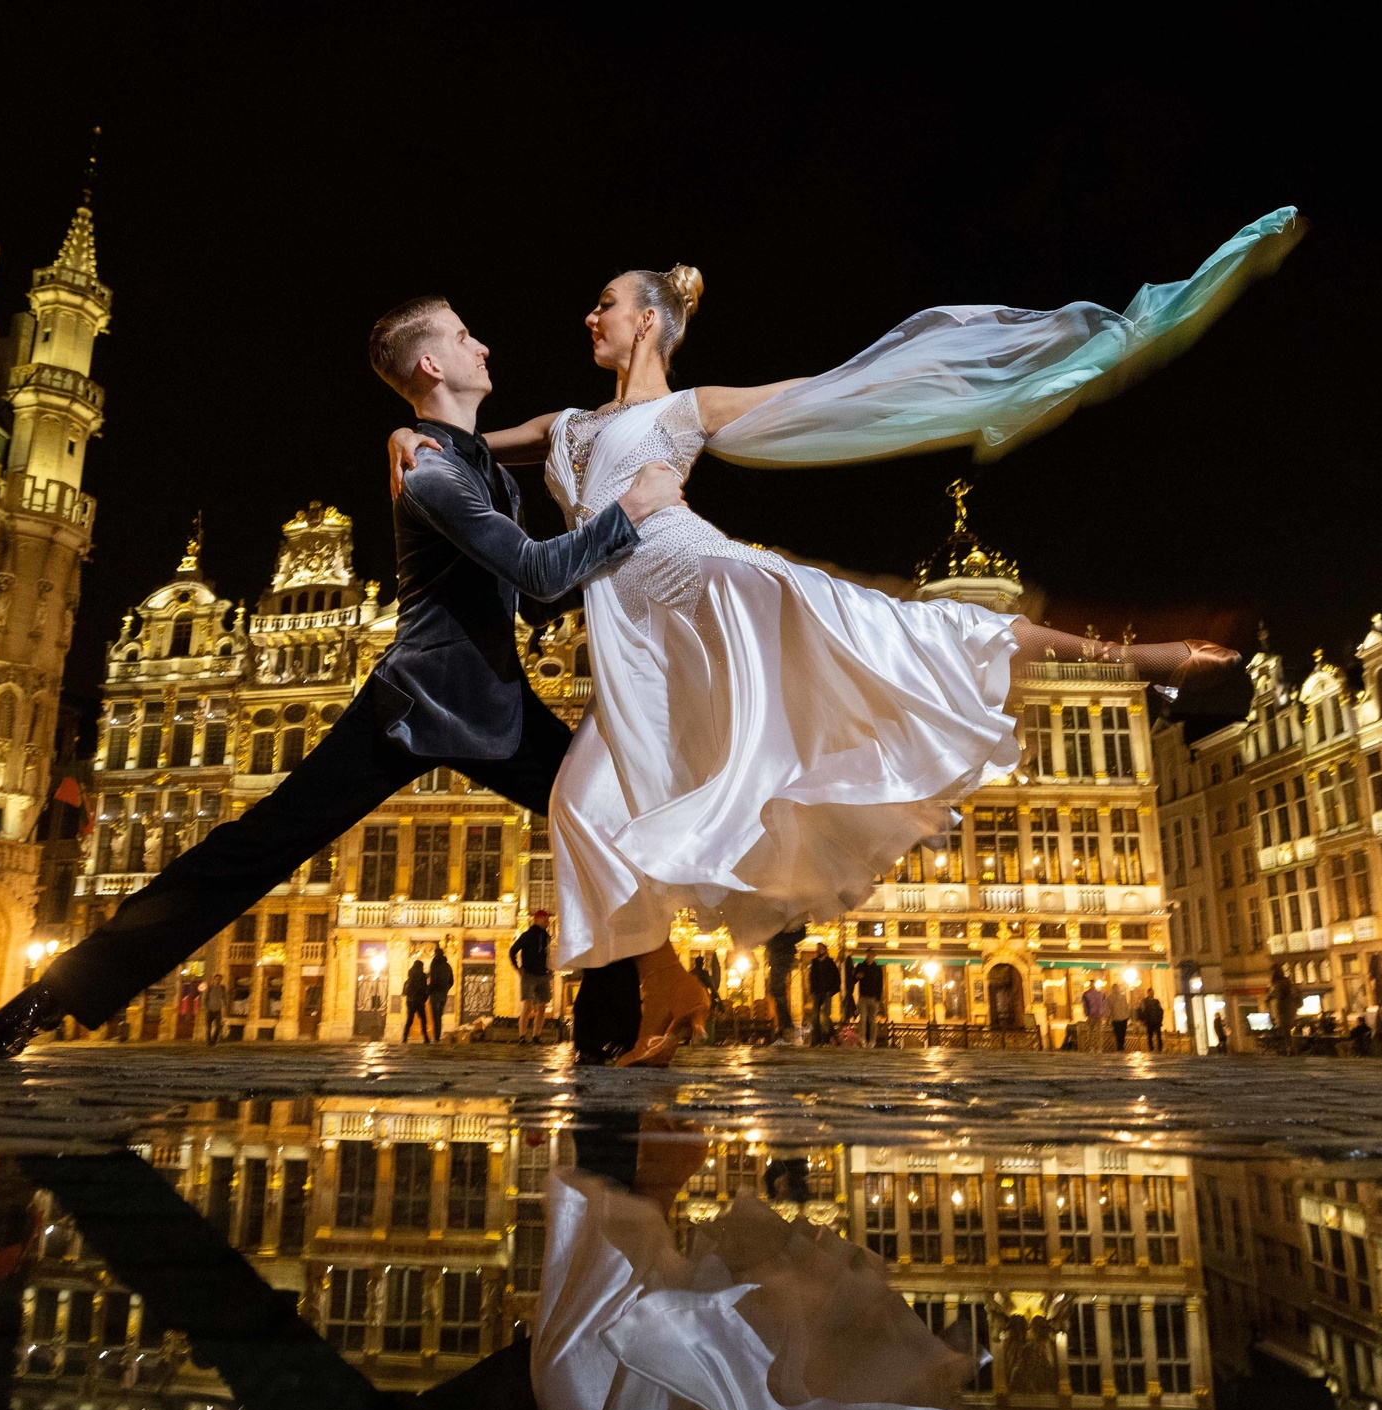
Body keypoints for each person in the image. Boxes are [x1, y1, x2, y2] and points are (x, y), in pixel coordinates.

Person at [388, 214, 1297, 1062]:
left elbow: (846, 391)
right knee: (578, 807)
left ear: (652, 325)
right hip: (635, 642)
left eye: (608, 305)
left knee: (913, 634)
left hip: (712, 594)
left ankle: (1141, 656)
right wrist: (406, 432)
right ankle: (670, 986)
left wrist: (1014, 369)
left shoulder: (691, 408)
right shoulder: (568, 426)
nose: (590, 315)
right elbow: (456, 444)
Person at [0, 296, 685, 1061]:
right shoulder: (434, 476)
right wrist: (633, 509)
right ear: (431, 364)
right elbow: (542, 574)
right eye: (463, 335)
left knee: (602, 822)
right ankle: (51, 995)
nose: (484, 343)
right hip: (414, 704)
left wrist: (409, 427)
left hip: (492, 704)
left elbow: (549, 433)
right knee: (255, 848)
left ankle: (608, 1037)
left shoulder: (454, 455)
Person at [511, 909, 554, 1044]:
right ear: (536, 920)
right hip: (529, 974)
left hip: (543, 974)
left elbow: (549, 954)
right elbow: (513, 951)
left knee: (542, 1006)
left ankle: (536, 1035)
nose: (547, 921)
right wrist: (517, 968)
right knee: (527, 1006)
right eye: (545, 919)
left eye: (547, 919)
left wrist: (550, 969)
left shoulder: (547, 936)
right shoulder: (527, 935)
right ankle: (522, 1036)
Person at [764, 924, 803, 1043]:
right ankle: (784, 1025)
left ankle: (786, 1026)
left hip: (781, 960)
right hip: (777, 960)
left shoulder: (783, 933)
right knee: (776, 991)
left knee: (778, 990)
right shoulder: (777, 933)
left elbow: (800, 934)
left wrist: (800, 924)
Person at [807, 944, 843, 1044]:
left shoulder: (830, 963)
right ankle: (816, 1040)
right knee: (815, 1017)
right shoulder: (814, 962)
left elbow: (837, 978)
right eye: (817, 949)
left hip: (827, 993)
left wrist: (832, 990)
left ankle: (826, 1038)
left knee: (826, 1016)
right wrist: (812, 990)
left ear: (824, 951)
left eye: (820, 949)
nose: (818, 951)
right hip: (817, 993)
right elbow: (811, 977)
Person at [851, 955, 885, 1043]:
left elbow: (880, 984)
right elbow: (853, 979)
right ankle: (862, 1039)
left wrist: (878, 998)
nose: (868, 957)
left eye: (870, 955)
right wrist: (857, 977)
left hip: (873, 998)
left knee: (872, 1020)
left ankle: (872, 1040)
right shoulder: (861, 966)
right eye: (867, 955)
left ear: (873, 957)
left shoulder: (877, 969)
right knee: (863, 1019)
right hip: (863, 997)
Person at [426, 942, 455, 1043]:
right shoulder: (447, 966)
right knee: (439, 1014)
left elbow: (433, 980)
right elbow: (451, 981)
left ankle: (436, 1036)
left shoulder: (434, 964)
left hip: (435, 993)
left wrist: (428, 990)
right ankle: (437, 1035)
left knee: (435, 1015)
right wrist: (446, 989)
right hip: (443, 994)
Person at [401, 958, 432, 1043]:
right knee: (423, 1019)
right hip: (419, 1002)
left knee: (409, 1019)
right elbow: (424, 988)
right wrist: (425, 997)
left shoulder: (409, 978)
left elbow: (404, 993)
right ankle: (425, 1037)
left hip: (410, 1002)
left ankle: (405, 1037)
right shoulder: (421, 977)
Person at [1081, 982, 1110, 1053]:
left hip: (1091, 1015)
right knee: (1098, 1033)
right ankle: (1099, 1048)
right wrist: (1103, 1014)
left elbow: (1085, 1005)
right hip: (1098, 1015)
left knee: (1090, 1032)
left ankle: (1092, 1048)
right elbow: (1104, 1004)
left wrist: (1086, 1013)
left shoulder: (1086, 994)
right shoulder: (1101, 994)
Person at [202, 970, 228, 1045]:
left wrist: (224, 1005)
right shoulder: (209, 988)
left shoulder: (222, 988)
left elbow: (224, 998)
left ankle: (214, 1039)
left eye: (220, 979)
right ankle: (208, 1041)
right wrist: (206, 1007)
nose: (218, 981)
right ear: (214, 980)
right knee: (208, 1027)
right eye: (217, 979)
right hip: (210, 1010)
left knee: (218, 1026)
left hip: (218, 1010)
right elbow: (204, 998)